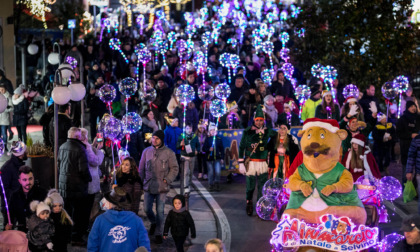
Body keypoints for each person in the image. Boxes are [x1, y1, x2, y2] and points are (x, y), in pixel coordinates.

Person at [139, 130, 179, 244]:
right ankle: (153, 222)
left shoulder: (169, 153)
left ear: (161, 140)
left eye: (157, 138)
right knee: (146, 208)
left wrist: (167, 179)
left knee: (160, 211)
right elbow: (141, 168)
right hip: (149, 184)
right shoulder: (146, 151)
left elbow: (174, 168)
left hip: (162, 186)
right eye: (153, 138)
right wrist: (140, 182)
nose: (154, 140)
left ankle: (158, 232)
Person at [238, 105, 277, 216]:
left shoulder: (268, 131)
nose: (259, 123)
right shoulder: (248, 131)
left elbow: (279, 136)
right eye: (257, 120)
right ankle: (249, 202)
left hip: (263, 163)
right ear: (254, 120)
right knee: (250, 186)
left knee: (262, 186)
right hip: (251, 163)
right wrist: (241, 163)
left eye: (261, 120)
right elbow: (241, 147)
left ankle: (260, 206)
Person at [87, 187, 151, 252]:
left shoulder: (100, 220)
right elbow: (144, 246)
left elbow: (92, 245)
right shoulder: (137, 220)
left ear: (110, 202)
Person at [57, 127, 91, 246]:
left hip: (63, 186)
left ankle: (66, 236)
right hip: (77, 187)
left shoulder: (62, 146)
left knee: (66, 212)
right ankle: (76, 237)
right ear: (77, 137)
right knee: (78, 213)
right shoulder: (80, 149)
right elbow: (83, 170)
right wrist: (89, 179)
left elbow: (58, 165)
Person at [6, 166, 47, 232]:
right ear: (20, 181)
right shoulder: (15, 196)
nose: (28, 182)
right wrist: (9, 224)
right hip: (21, 233)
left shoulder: (43, 194)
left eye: (30, 179)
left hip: (39, 233)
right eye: (25, 180)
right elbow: (11, 215)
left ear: (33, 178)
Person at [80, 128, 104, 222]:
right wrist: (99, 150)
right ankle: (87, 225)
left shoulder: (83, 145)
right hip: (89, 183)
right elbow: (95, 161)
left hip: (84, 183)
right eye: (85, 135)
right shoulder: (85, 146)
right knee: (89, 207)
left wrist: (93, 145)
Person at [397, 101, 420, 186]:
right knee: (406, 168)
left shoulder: (418, 118)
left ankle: (416, 189)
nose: (413, 108)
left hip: (418, 147)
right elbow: (399, 133)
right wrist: (410, 135)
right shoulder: (403, 119)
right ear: (407, 108)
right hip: (406, 146)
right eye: (411, 106)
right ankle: (406, 188)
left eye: (414, 106)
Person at [177, 123, 200, 195]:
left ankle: (189, 184)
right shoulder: (181, 136)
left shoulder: (195, 137)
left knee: (191, 172)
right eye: (187, 128)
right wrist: (180, 145)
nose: (189, 130)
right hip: (184, 156)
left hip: (192, 156)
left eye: (190, 128)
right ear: (185, 129)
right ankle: (185, 186)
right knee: (186, 172)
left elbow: (198, 145)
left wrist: (197, 150)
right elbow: (177, 146)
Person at [203, 123, 225, 191]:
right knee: (211, 172)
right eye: (211, 130)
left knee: (218, 171)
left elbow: (222, 149)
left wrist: (222, 158)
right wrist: (208, 149)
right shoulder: (208, 139)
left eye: (214, 130)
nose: (213, 131)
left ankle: (217, 183)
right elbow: (204, 148)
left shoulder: (218, 139)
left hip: (217, 158)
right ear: (209, 131)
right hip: (209, 158)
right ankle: (210, 184)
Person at [0, 84, 13, 148]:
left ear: (5, 90)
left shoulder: (8, 97)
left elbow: (11, 108)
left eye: (2, 89)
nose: (1, 91)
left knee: (4, 133)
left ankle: (4, 146)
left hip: (5, 119)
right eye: (0, 90)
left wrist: (4, 109)